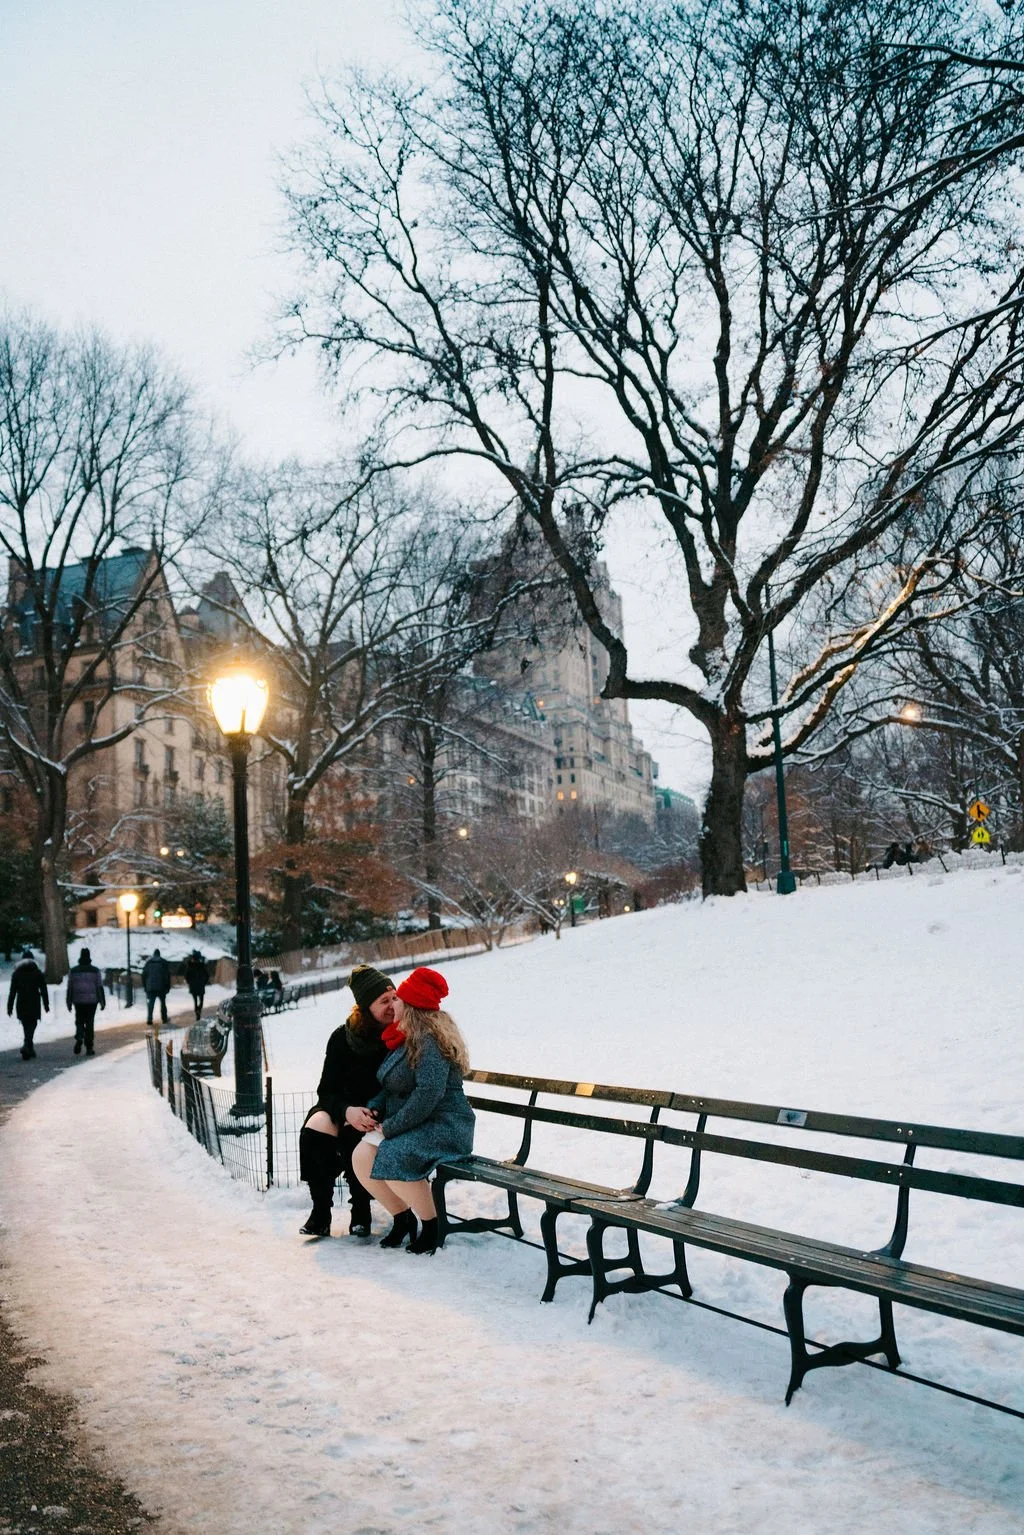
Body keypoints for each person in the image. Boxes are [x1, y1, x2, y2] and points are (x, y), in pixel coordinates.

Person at [352, 966, 475, 1257]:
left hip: (445, 1126)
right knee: (362, 1155)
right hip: (421, 1123)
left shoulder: (430, 1040)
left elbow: (428, 1094)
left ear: (411, 1006)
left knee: (393, 1156)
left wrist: (392, 1127)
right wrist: (374, 1108)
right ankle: (402, 1217)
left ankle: (433, 1226)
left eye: (397, 999)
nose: (392, 1003)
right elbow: (392, 1086)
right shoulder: (407, 1037)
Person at [297, 965, 397, 1239]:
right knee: (314, 1131)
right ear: (366, 1006)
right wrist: (346, 1111)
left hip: (379, 1110)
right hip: (342, 1106)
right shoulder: (342, 1038)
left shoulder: (399, 1036)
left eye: (394, 998)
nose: (392, 1005)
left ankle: (361, 1210)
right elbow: (326, 1089)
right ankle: (320, 1212)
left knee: (358, 1132)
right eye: (384, 1001)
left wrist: (368, 1112)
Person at [7, 946, 48, 1060]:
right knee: (33, 1023)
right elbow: (43, 989)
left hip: (21, 1001)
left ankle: (29, 1047)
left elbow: (12, 992)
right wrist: (46, 1004)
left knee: (25, 1024)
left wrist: (9, 1007)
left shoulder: (16, 974)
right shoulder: (37, 973)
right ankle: (27, 1044)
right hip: (34, 1000)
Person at [66, 947, 105, 1057]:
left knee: (79, 1019)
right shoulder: (95, 970)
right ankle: (89, 1046)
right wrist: (102, 1001)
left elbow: (70, 987)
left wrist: (68, 1001)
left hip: (78, 1000)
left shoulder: (74, 971)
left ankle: (79, 1036)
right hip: (92, 1001)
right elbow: (99, 986)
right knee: (89, 1022)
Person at [141, 948, 171, 1027]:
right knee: (163, 1003)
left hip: (150, 987)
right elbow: (167, 976)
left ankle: (149, 1019)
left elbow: (144, 975)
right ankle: (164, 1018)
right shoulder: (163, 962)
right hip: (161, 986)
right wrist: (168, 986)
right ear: (159, 954)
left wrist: (145, 986)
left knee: (151, 1003)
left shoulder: (148, 962)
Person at [184, 951, 208, 1021]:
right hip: (200, 985)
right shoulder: (202, 965)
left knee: (195, 1000)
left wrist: (189, 982)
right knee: (201, 1000)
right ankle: (199, 1010)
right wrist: (204, 982)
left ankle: (196, 1011)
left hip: (193, 985)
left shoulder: (190, 966)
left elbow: (186, 976)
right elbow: (207, 975)